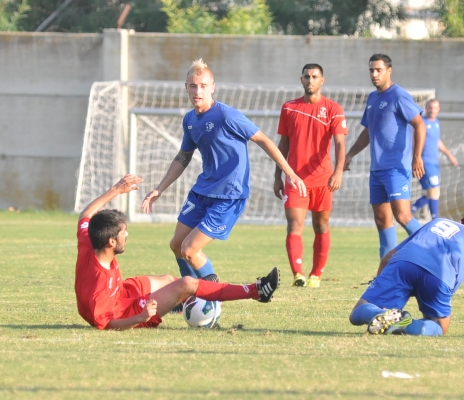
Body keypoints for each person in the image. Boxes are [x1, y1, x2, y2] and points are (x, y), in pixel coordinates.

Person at [142, 58, 306, 283]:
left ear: (212, 87)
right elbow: (183, 157)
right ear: (186, 87)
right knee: (177, 245)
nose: (198, 91)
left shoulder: (226, 116)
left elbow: (263, 140)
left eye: (203, 86)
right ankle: (188, 295)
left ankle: (213, 296)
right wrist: (159, 189)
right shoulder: (190, 120)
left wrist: (289, 172)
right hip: (202, 191)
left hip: (228, 195)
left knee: (190, 250)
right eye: (193, 86)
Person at [75, 174, 280, 330]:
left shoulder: (90, 241)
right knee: (187, 284)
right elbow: (104, 323)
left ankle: (180, 301)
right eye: (123, 232)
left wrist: (116, 190)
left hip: (122, 293)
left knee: (168, 280)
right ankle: (257, 291)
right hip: (125, 312)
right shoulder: (100, 286)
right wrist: (141, 317)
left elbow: (86, 215)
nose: (127, 235)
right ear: (111, 241)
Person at [344, 54, 426, 259]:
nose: (374, 74)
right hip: (377, 170)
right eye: (371, 70)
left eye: (378, 70)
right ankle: (386, 270)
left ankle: (434, 249)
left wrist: (417, 156)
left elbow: (419, 124)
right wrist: (350, 154)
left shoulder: (399, 95)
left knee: (403, 216)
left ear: (389, 71)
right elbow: (368, 131)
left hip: (396, 168)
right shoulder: (373, 98)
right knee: (382, 221)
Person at [273, 63, 347, 288]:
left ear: (322, 80)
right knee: (294, 224)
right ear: (301, 80)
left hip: (323, 179)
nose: (310, 80)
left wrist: (338, 172)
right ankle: (298, 274)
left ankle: (316, 274)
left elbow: (340, 144)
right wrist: (277, 176)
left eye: (315, 76)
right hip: (295, 179)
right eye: (307, 76)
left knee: (320, 225)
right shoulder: (289, 108)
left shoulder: (333, 109)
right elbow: (283, 144)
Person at [411, 99, 457, 219]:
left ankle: (410, 212)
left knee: (433, 193)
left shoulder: (436, 123)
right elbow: (414, 141)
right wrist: (416, 158)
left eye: (435, 108)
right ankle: (435, 219)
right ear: (426, 108)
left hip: (433, 162)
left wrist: (449, 155)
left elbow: (437, 141)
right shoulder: (422, 122)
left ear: (439, 109)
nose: (432, 110)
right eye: (430, 107)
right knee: (434, 191)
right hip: (425, 162)